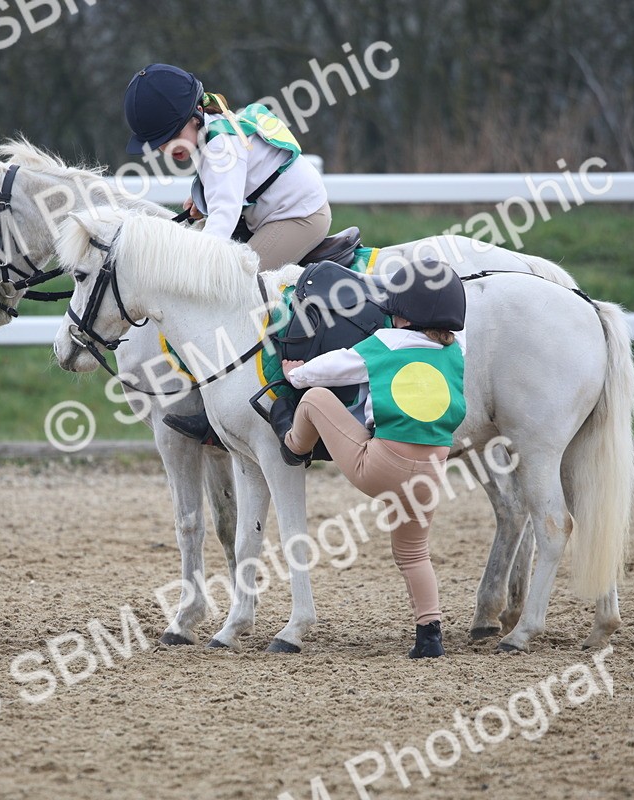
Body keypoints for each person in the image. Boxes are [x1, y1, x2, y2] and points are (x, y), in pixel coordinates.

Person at [124, 63, 334, 446]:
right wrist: (199, 196)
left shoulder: (219, 143)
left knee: (231, 293)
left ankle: (250, 404)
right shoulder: (212, 120)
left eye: (168, 139)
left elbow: (222, 220)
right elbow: (224, 186)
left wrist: (188, 272)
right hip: (268, 213)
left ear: (192, 118)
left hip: (299, 218)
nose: (165, 150)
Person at [269, 263, 467, 659]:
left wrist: (297, 374)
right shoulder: (455, 353)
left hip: (380, 466)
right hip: (432, 471)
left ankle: (293, 445)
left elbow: (335, 367)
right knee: (413, 554)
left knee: (314, 399)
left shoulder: (385, 342)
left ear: (405, 314)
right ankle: (429, 634)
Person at [124, 63, 332, 271]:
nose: (170, 147)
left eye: (175, 135)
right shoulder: (208, 127)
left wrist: (193, 265)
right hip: (283, 210)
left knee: (237, 280)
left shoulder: (219, 147)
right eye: (160, 142)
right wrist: (204, 199)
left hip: (300, 217)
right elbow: (226, 182)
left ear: (197, 113)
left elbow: (224, 214)